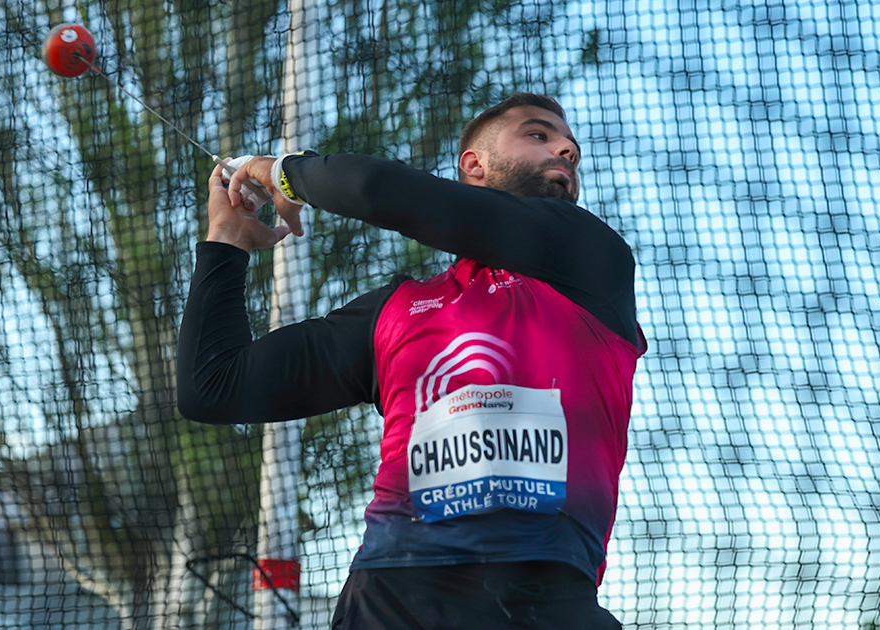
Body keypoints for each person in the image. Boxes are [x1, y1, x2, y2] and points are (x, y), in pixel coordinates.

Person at [177, 93, 648, 629]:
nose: (566, 148)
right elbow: (212, 385)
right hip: (388, 601)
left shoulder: (593, 261)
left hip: (545, 599)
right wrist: (225, 244)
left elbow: (379, 190)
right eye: (538, 135)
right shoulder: (394, 313)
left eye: (572, 149)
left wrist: (284, 173)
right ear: (474, 164)